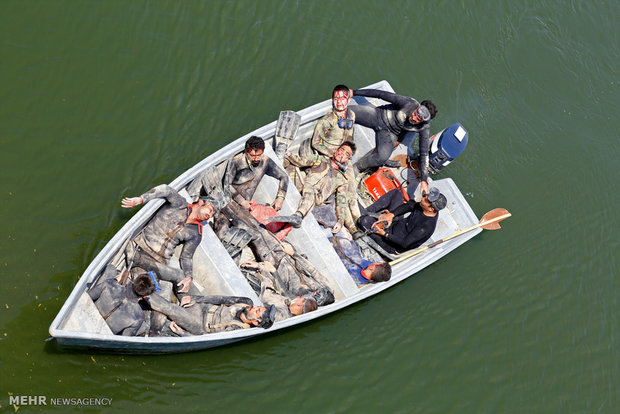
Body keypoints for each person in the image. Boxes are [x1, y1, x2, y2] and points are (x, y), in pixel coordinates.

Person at [121, 184, 216, 296]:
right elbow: (165, 189)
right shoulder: (179, 204)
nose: (209, 215)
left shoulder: (196, 233)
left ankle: (186, 300)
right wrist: (141, 199)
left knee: (169, 285)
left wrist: (189, 276)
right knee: (146, 283)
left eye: (211, 214)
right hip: (142, 246)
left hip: (161, 262)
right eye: (210, 210)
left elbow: (186, 257)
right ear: (201, 203)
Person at [349, 88, 437, 195]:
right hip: (378, 116)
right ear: (418, 106)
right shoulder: (408, 102)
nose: (414, 118)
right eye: (414, 114)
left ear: (424, 120)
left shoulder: (424, 127)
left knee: (382, 157)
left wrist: (424, 180)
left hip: (390, 134)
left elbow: (424, 153)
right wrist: (354, 92)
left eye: (418, 119)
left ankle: (356, 168)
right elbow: (380, 94)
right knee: (348, 112)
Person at [274, 142, 360, 233]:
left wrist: (340, 221)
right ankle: (276, 165)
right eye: (342, 150)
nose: (342, 153)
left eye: (346, 154)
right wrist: (289, 154)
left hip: (316, 198)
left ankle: (298, 215)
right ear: (336, 151)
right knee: (292, 166)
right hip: (304, 186)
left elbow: (341, 201)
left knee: (310, 191)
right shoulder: (320, 159)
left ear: (347, 160)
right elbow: (300, 162)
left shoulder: (342, 180)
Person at [357, 187, 447, 254]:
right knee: (397, 193)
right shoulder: (423, 206)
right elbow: (408, 206)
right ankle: (367, 211)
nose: (422, 198)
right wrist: (392, 215)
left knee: (364, 221)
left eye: (425, 199)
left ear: (431, 209)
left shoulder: (426, 226)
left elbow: (404, 243)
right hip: (396, 224)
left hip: (391, 244)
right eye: (425, 195)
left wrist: (383, 233)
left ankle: (363, 216)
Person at [146, 293, 276, 335]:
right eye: (259, 307)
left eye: (257, 311)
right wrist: (196, 298)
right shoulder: (246, 302)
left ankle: (142, 292)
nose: (254, 307)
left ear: (255, 322)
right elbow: (220, 299)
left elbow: (209, 340)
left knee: (171, 309)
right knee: (181, 277)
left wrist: (184, 334)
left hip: (198, 323)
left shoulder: (238, 330)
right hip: (204, 307)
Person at [224, 135, 289, 211]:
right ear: (246, 152)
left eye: (259, 155)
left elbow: (284, 176)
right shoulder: (236, 162)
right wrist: (241, 201)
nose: (256, 159)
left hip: (248, 205)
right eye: (252, 155)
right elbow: (227, 185)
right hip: (230, 201)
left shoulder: (265, 161)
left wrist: (280, 197)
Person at [88, 264, 156, 336]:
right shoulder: (139, 317)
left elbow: (88, 295)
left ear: (134, 280)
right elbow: (124, 338)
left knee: (111, 268)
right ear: (145, 296)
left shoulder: (110, 284)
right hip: (104, 335)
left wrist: (115, 281)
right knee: (144, 327)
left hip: (89, 315)